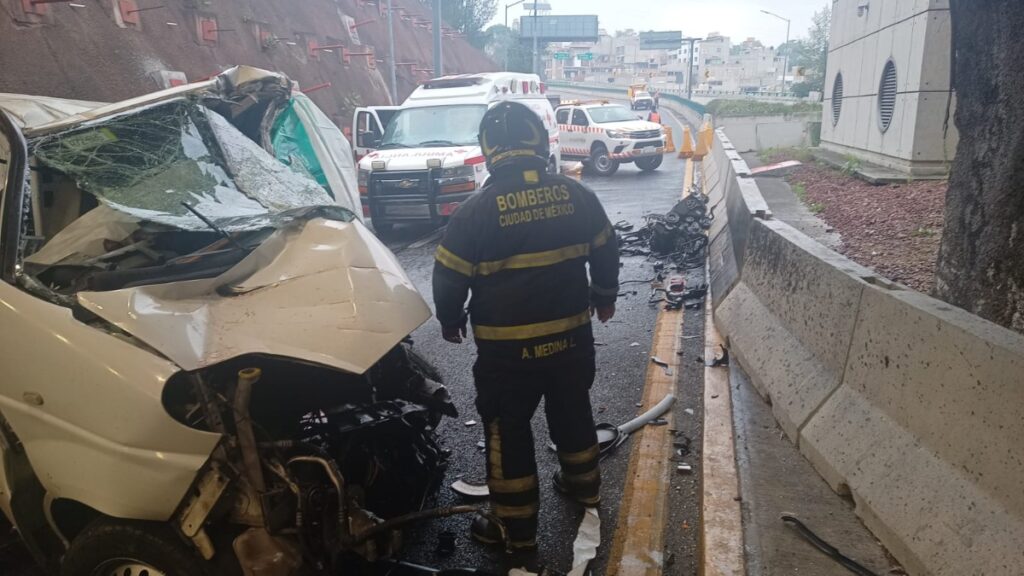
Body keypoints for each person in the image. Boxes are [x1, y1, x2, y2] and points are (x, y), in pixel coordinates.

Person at [432, 102, 620, 551]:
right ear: (538, 141)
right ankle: (585, 488)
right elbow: (607, 248)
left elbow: (448, 274)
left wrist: (450, 319)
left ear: (489, 150)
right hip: (571, 341)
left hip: (507, 355)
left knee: (508, 430)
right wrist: (605, 296)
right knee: (573, 411)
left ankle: (514, 532)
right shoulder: (577, 195)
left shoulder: (475, 211)